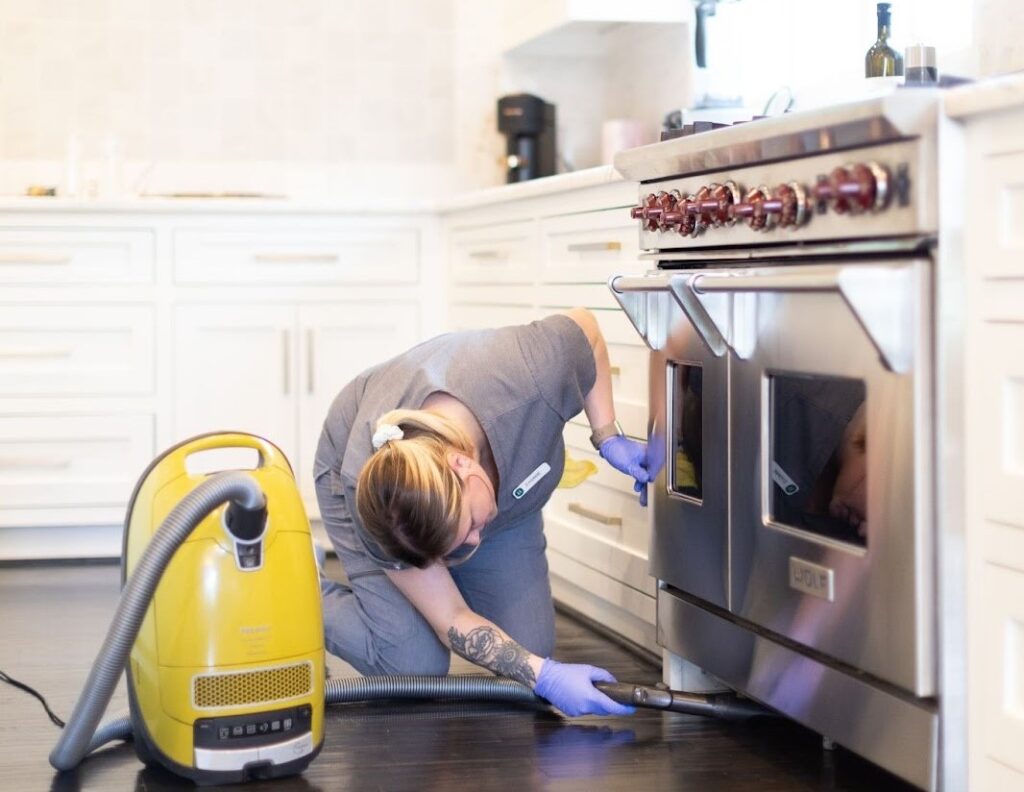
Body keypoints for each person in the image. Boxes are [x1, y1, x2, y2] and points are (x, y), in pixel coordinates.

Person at [312, 309, 649, 717]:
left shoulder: (532, 370)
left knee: (529, 649)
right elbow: (450, 616)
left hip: (502, 495)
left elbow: (588, 330)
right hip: (354, 465)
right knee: (412, 666)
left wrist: (607, 434)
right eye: (457, 544)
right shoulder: (385, 509)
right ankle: (300, 592)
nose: (473, 545)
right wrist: (544, 677)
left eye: (469, 528)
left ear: (462, 465)